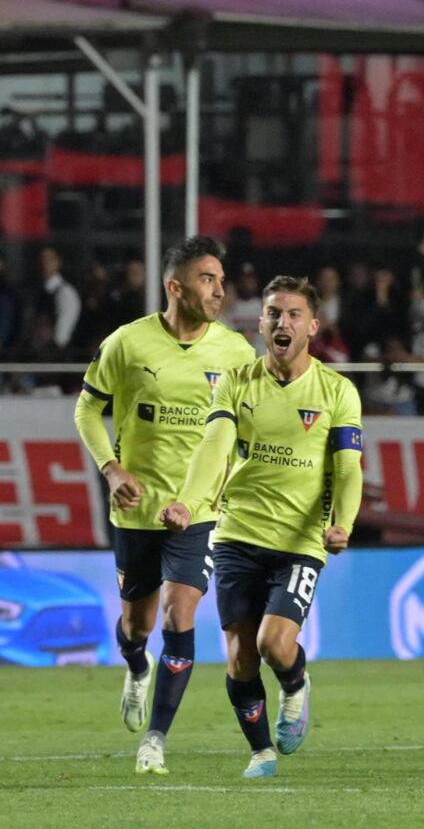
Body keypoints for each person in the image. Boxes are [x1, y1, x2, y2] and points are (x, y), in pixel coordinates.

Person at [163, 275, 365, 780]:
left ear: (312, 326)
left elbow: (347, 468)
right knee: (239, 658)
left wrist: (343, 522)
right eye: (274, 313)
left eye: (294, 314)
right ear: (260, 322)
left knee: (275, 644)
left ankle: (296, 686)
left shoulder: (336, 390)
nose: (283, 322)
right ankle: (260, 753)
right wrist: (190, 501)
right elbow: (213, 446)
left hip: (300, 541)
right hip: (235, 534)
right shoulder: (236, 383)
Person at [73, 237, 257, 776]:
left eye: (221, 280)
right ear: (175, 287)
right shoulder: (127, 344)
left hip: (198, 512)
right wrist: (111, 468)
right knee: (136, 625)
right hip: (136, 510)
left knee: (181, 613)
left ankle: (154, 739)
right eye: (207, 279)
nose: (220, 290)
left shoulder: (236, 354)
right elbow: (86, 412)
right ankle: (136, 666)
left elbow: (250, 428)